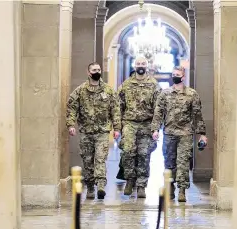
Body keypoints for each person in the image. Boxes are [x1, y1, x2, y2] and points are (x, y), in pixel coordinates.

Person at [151, 66, 207, 202]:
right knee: (169, 162)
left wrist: (202, 134)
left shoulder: (192, 94)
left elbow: (197, 115)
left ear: (183, 77)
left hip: (185, 133)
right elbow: (158, 113)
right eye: (173, 74)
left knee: (183, 162)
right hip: (169, 133)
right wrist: (155, 129)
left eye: (178, 74)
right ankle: (170, 187)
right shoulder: (165, 94)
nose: (175, 76)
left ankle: (182, 190)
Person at [66, 62, 121, 200]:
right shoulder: (80, 91)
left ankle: (101, 186)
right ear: (88, 72)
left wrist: (117, 128)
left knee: (101, 159)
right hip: (86, 131)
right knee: (87, 160)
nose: (97, 71)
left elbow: (115, 110)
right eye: (94, 70)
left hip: (102, 131)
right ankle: (90, 187)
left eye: (99, 69)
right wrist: (71, 124)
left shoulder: (108, 91)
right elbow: (72, 107)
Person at [117, 56, 161, 198]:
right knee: (128, 151)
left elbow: (158, 109)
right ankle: (130, 179)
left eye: (143, 63)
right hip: (129, 123)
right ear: (134, 66)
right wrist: (118, 127)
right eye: (138, 64)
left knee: (144, 155)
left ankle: (141, 185)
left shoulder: (154, 85)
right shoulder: (126, 84)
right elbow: (118, 106)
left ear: (147, 66)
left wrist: (155, 128)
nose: (140, 66)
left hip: (147, 124)